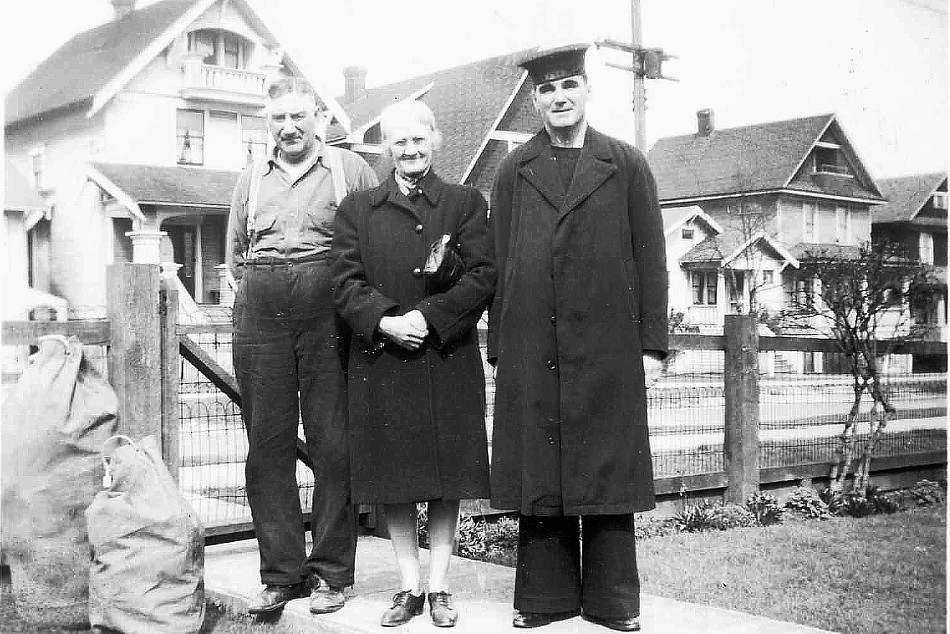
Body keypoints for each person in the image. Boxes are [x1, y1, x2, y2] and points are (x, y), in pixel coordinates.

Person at [487, 43, 668, 632]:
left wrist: (652, 345)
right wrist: (497, 345)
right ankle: (544, 600)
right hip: (532, 345)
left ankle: (614, 603)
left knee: (608, 466)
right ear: (535, 100)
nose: (559, 97)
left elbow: (652, 258)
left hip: (610, 347)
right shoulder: (514, 170)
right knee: (542, 467)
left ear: (588, 89)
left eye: (568, 85)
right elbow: (500, 258)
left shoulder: (626, 163)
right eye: (546, 89)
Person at [332, 100, 495, 628]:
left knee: (446, 476)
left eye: (418, 138)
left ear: (436, 140)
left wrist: (428, 317)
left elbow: (483, 275)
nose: (409, 149)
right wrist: (383, 321)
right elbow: (345, 283)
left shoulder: (465, 202)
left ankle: (441, 586)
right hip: (384, 358)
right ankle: (408, 586)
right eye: (399, 141)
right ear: (386, 148)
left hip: (445, 354)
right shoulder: (357, 209)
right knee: (394, 475)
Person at [226, 78, 378, 616]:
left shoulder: (349, 171)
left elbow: (373, 244)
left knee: (332, 443)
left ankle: (331, 573)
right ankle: (281, 574)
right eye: (277, 119)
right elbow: (237, 255)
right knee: (266, 446)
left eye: (298, 116)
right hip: (262, 309)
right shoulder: (249, 181)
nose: (288, 128)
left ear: (317, 117)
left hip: (327, 309)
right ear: (266, 123)